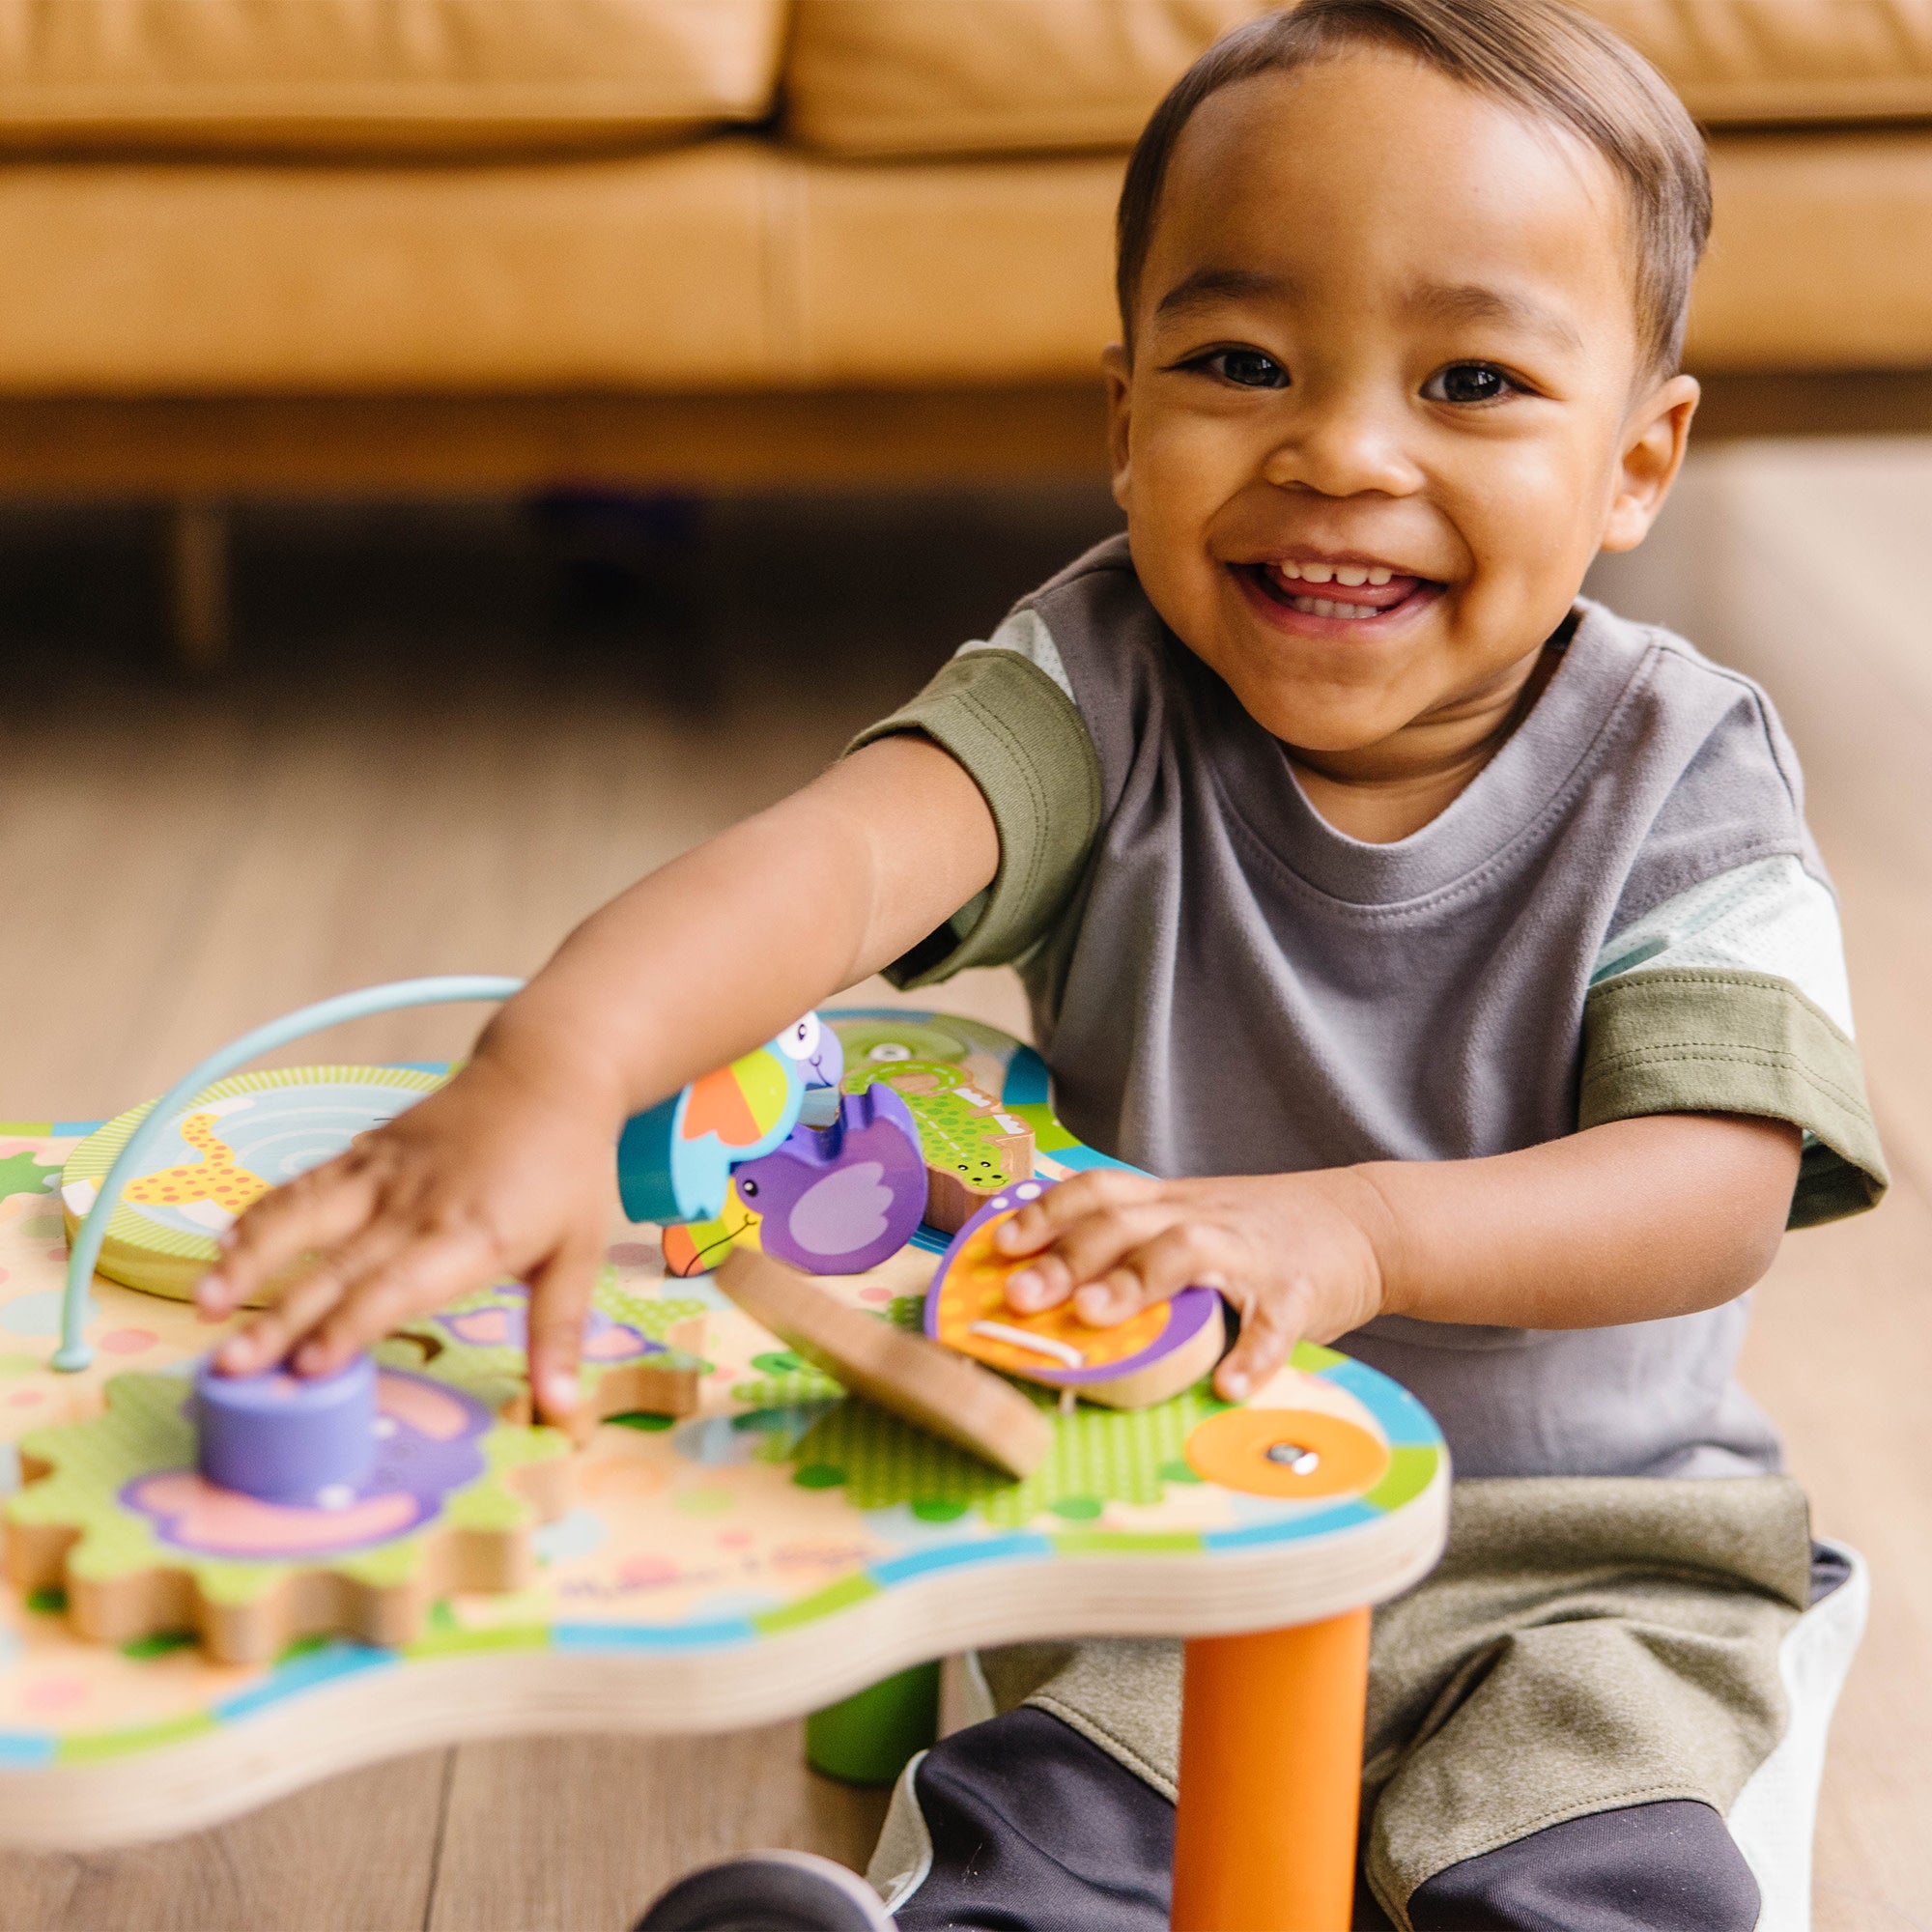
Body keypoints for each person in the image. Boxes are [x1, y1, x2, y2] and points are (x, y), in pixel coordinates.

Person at [200, 2, 1887, 1924]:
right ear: (1123, 420)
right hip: (1166, 1511)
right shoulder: (1095, 689)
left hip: (1591, 1563)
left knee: (1604, 1866)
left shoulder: (1687, 771)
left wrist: (1352, 1235)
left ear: (1637, 462)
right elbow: (832, 866)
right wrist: (552, 1073)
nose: (1340, 449)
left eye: (1474, 381)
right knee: (1046, 1833)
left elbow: (1713, 1186)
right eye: (1240, 362)